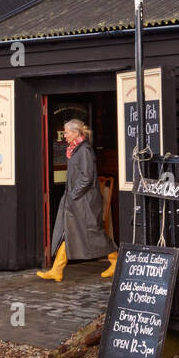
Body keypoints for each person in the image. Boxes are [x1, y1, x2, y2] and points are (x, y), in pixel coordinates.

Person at [37, 119, 117, 281]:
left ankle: (116, 261)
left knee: (93, 232)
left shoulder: (84, 150)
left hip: (84, 201)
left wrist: (73, 194)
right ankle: (57, 269)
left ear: (75, 133)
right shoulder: (75, 149)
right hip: (77, 199)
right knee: (68, 231)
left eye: (66, 132)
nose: (64, 136)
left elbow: (87, 177)